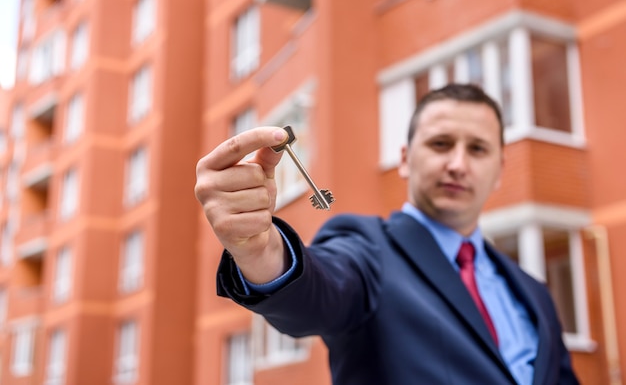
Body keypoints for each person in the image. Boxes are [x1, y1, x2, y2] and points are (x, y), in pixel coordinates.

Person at [194, 83, 580, 385]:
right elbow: (320, 292)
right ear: (405, 159)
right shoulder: (367, 251)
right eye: (440, 144)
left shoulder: (533, 292)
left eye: (478, 149)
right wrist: (261, 251)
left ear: (499, 170)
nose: (458, 164)